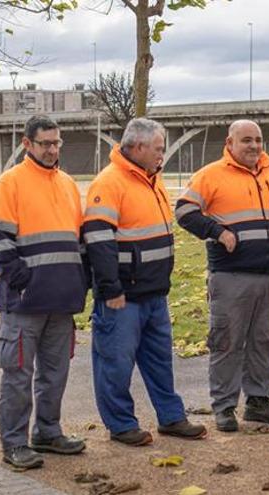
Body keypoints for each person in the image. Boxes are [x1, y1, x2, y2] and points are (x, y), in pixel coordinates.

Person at [82, 117, 206, 446]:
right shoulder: (109, 183)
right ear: (137, 147)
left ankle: (171, 417)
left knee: (160, 361)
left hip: (154, 293)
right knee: (115, 363)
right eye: (158, 149)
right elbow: (98, 239)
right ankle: (121, 424)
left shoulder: (152, 179)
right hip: (122, 297)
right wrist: (110, 289)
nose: (161, 155)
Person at [176, 120, 269, 432]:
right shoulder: (211, 174)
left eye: (258, 140)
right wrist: (218, 232)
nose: (254, 146)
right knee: (227, 341)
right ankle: (224, 406)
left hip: (268, 277)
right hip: (230, 275)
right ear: (230, 143)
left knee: (263, 340)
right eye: (246, 140)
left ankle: (258, 402)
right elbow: (184, 212)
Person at [0, 115, 87, 469]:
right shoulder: (10, 183)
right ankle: (14, 442)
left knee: (55, 374)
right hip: (25, 303)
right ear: (27, 144)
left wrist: (79, 282)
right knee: (18, 375)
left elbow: (79, 242)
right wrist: (23, 281)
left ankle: (47, 432)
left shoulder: (69, 185)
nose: (52, 149)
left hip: (62, 301)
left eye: (57, 143)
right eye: (45, 143)